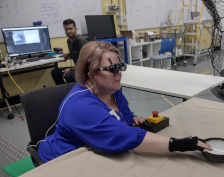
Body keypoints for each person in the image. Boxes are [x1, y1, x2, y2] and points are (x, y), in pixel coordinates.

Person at [38, 41, 210, 163]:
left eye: (120, 67)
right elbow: (124, 135)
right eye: (112, 69)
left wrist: (133, 119)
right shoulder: (80, 106)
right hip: (64, 160)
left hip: (94, 151)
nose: (118, 74)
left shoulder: (112, 90)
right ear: (90, 73)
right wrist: (181, 144)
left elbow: (125, 119)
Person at [51, 18, 87, 85]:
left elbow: (85, 63)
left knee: (68, 75)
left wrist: (71, 69)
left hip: (84, 70)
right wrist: (68, 55)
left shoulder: (80, 41)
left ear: (76, 29)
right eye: (66, 29)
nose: (68, 31)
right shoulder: (69, 41)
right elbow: (76, 52)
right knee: (55, 72)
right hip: (77, 68)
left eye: (70, 29)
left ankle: (73, 91)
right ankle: (64, 91)